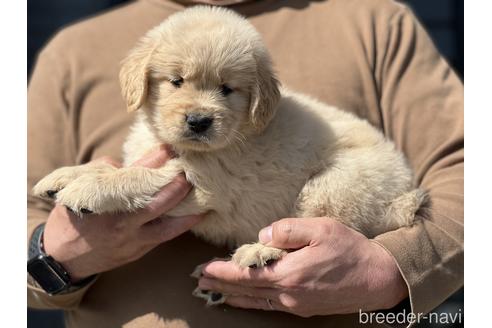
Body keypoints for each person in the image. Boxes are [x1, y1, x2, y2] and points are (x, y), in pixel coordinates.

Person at [27, 0, 463, 327]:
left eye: (225, 90)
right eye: (176, 82)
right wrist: (50, 256)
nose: (198, 110)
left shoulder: (375, 22)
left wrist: (394, 267)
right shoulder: (72, 52)